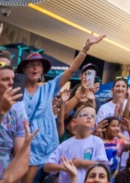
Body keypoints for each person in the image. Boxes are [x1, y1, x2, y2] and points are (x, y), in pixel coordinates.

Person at [19, 33, 106, 183]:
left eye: (38, 65)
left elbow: (71, 70)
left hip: (49, 147)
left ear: (42, 71)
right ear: (24, 70)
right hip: (26, 146)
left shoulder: (48, 88)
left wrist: (86, 47)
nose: (34, 68)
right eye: (31, 65)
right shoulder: (17, 92)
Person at [44, 106, 107, 183]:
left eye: (93, 116)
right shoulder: (65, 144)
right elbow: (47, 166)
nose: (89, 117)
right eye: (85, 115)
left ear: (94, 124)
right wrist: (64, 167)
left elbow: (103, 165)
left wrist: (81, 163)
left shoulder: (97, 141)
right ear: (74, 122)